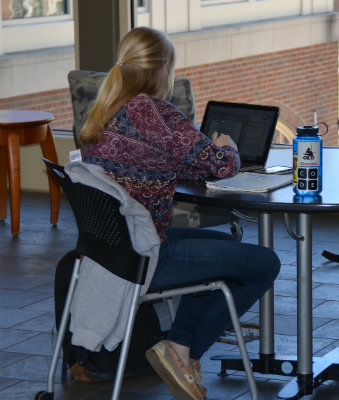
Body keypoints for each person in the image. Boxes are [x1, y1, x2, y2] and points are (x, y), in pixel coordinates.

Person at [78, 26, 281, 400]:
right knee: (264, 263)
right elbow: (220, 166)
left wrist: (188, 162)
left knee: (219, 250)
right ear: (163, 69)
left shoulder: (106, 109)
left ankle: (180, 348)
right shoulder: (151, 109)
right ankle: (183, 349)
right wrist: (229, 147)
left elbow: (146, 159)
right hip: (148, 255)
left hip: (112, 253)